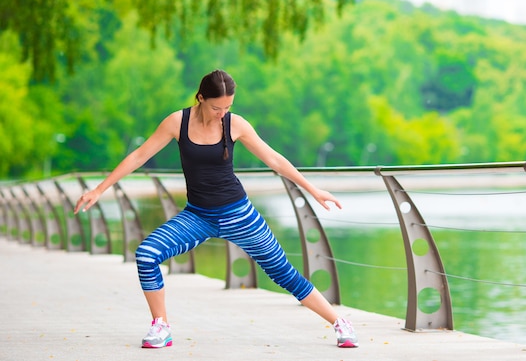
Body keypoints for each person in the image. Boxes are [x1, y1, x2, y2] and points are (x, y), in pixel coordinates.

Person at [73, 69, 358, 349]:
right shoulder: (177, 122)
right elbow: (139, 155)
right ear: (200, 98)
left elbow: (275, 159)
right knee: (147, 254)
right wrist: (99, 189)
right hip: (197, 216)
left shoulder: (235, 124)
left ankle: (340, 322)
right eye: (216, 107)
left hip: (239, 215)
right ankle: (161, 326)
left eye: (228, 107)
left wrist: (313, 190)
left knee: (283, 273)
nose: (222, 113)